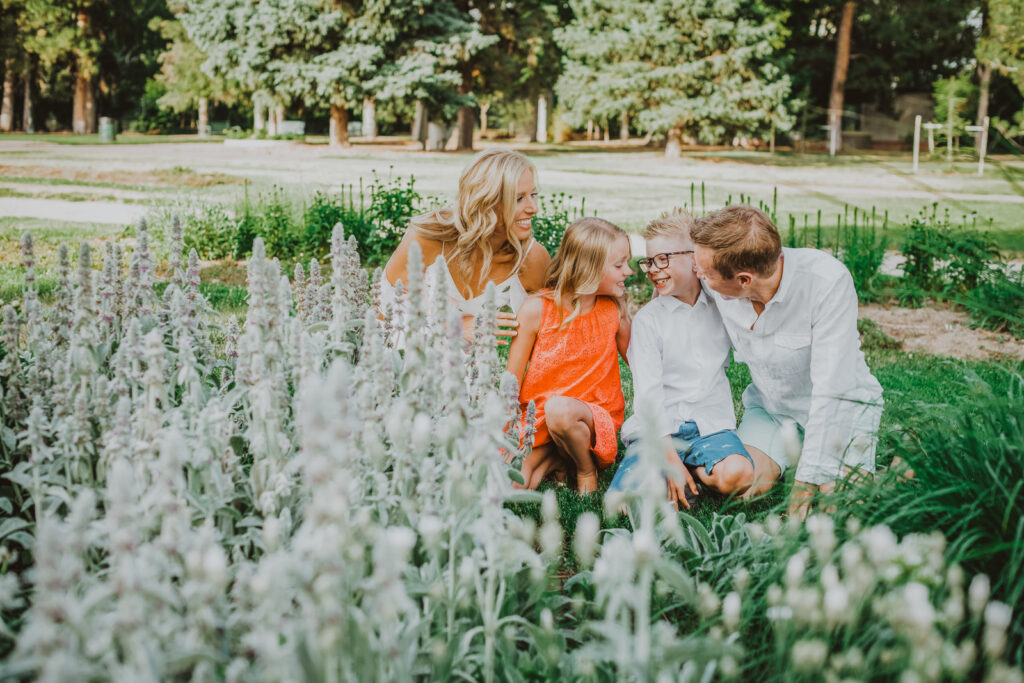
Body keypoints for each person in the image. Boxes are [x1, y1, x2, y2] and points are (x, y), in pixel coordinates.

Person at [690, 205, 883, 519]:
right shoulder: (720, 274)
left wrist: (808, 480)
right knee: (731, 481)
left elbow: (832, 389)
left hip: (842, 412)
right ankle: (787, 459)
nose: (697, 274)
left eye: (704, 272)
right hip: (772, 413)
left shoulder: (826, 282)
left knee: (844, 510)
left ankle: (843, 468)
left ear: (743, 280)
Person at [607, 209, 779, 510]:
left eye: (664, 259)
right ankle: (669, 468)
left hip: (710, 425)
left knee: (740, 475)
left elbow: (757, 327)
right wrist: (668, 455)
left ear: (695, 258)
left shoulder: (723, 304)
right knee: (622, 504)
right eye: (649, 261)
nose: (652, 269)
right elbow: (648, 396)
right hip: (659, 429)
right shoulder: (649, 320)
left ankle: (694, 472)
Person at [506, 217, 633, 494]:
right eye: (620, 265)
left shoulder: (614, 312)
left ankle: (585, 470)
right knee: (513, 483)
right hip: (539, 423)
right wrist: (503, 438)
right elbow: (510, 382)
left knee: (560, 410)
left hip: (591, 422)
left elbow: (641, 367)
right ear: (590, 268)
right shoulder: (536, 309)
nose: (629, 271)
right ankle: (558, 458)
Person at [382, 148, 551, 344]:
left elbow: (547, 340)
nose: (533, 208)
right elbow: (381, 313)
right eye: (519, 198)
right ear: (487, 202)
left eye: (533, 194)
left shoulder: (533, 259)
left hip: (489, 370)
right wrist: (451, 326)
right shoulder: (429, 236)